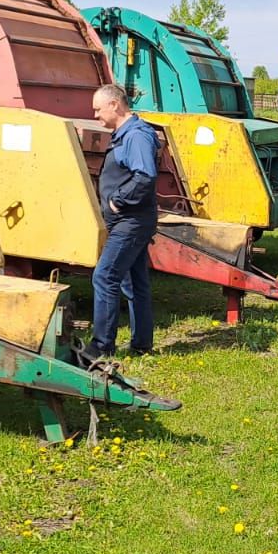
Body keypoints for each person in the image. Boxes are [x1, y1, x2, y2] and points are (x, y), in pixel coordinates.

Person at [82, 84, 158, 359]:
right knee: (134, 282)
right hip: (130, 220)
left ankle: (101, 347)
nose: (95, 115)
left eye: (98, 109)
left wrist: (118, 200)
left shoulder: (136, 136)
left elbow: (145, 176)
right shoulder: (124, 134)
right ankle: (141, 344)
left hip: (131, 220)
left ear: (115, 105)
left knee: (105, 276)